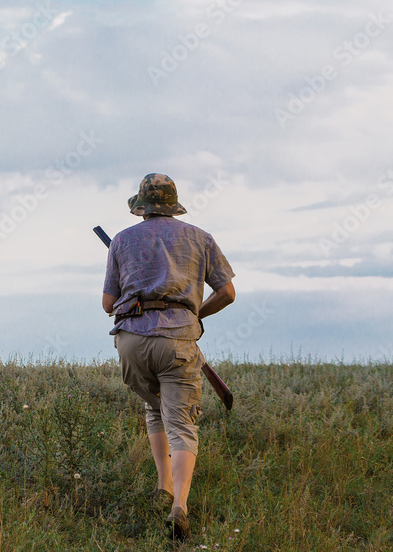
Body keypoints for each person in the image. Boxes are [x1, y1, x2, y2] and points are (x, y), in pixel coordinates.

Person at [101, 173, 235, 542]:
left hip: (131, 343)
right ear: (173, 205)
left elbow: (107, 305)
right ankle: (181, 507)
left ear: (141, 207)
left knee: (153, 406)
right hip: (177, 341)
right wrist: (195, 313)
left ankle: (163, 489)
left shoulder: (122, 241)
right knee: (182, 423)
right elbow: (227, 292)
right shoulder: (200, 238)